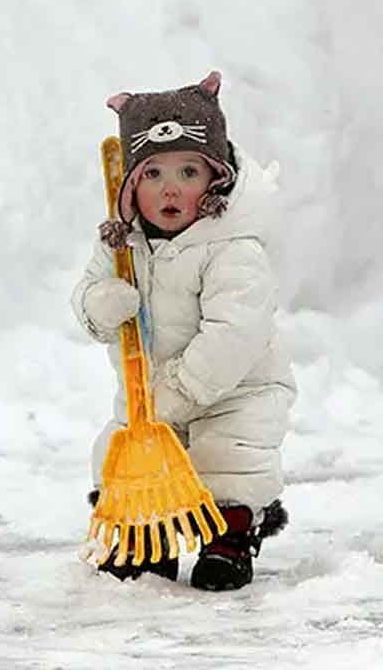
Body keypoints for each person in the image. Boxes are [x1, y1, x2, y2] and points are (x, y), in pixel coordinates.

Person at [73, 71, 295, 591]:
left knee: (229, 459)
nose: (169, 188)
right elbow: (85, 298)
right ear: (130, 184)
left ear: (216, 180)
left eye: (188, 171)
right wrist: (102, 305)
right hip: (149, 392)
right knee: (120, 457)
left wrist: (181, 390)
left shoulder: (235, 248)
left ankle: (231, 537)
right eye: (152, 175)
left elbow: (233, 335)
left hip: (234, 390)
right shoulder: (119, 243)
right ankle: (149, 535)